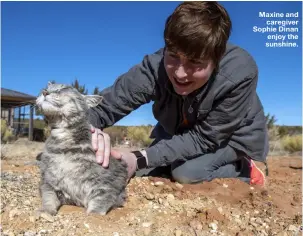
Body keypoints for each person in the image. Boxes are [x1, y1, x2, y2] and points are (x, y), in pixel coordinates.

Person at [88, 1, 269, 187]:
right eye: (173, 55)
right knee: (146, 169)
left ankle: (245, 169)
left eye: (195, 62)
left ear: (217, 59)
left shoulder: (240, 72)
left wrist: (139, 158)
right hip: (180, 132)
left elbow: (204, 138)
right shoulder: (154, 67)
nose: (180, 73)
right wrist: (92, 133)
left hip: (230, 137)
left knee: (186, 173)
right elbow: (102, 109)